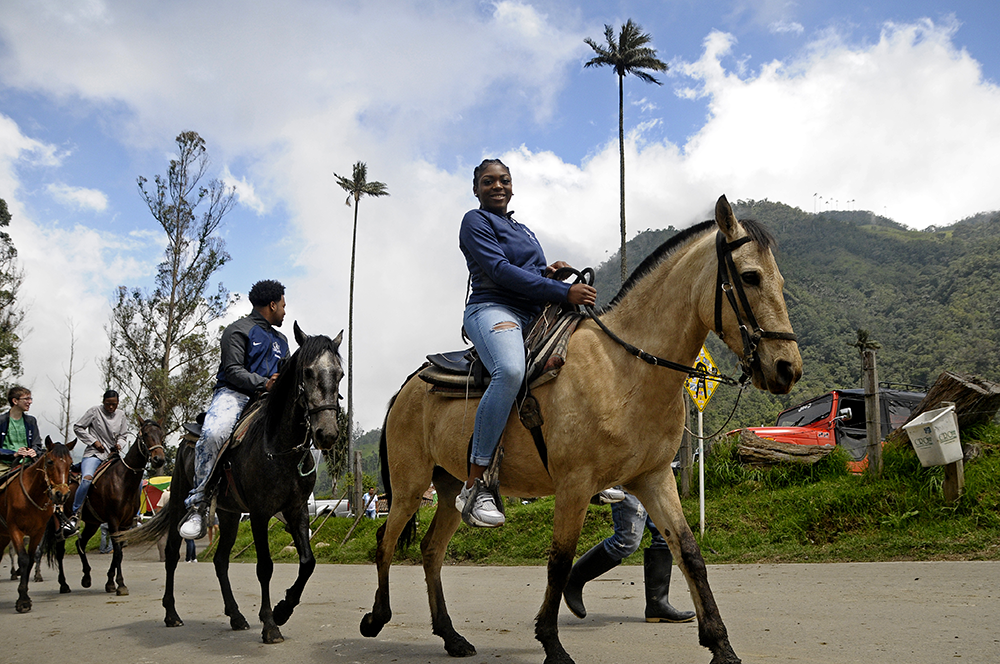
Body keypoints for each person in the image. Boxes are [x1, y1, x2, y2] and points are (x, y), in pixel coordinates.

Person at [454, 159, 598, 528]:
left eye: (503, 180)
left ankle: (591, 463)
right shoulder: (475, 221)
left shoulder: (523, 228)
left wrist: (549, 273)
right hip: (493, 307)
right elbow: (499, 271)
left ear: (513, 186)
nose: (497, 186)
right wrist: (563, 290)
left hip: (535, 312)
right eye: (488, 181)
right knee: (511, 370)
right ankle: (476, 483)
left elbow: (527, 272)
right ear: (476, 189)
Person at [178, 279, 289, 540]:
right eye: (283, 305)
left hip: (269, 399)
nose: (285, 311)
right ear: (272, 305)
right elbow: (233, 371)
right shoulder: (237, 330)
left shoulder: (282, 340)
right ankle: (198, 505)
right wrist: (265, 383)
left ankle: (288, 498)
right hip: (234, 394)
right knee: (215, 433)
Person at [563, 493, 696, 623]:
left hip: (655, 478)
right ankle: (574, 580)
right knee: (625, 543)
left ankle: (658, 605)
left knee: (665, 535)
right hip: (629, 478)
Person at [63, 390, 130, 534]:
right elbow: (78, 427)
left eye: (114, 404)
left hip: (113, 456)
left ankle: (131, 517)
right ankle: (75, 515)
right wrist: (94, 442)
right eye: (108, 404)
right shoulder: (94, 411)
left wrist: (119, 444)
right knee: (87, 479)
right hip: (94, 454)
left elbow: (124, 435)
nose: (111, 407)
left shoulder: (121, 415)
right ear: (103, 402)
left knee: (132, 478)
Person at [0, 386, 42, 473]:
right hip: (5, 465)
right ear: (15, 401)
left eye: (30, 399)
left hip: (28, 464)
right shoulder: (1, 421)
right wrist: (14, 454)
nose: (30, 402)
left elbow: (37, 444)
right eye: (26, 399)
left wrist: (33, 451)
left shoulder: (31, 421)